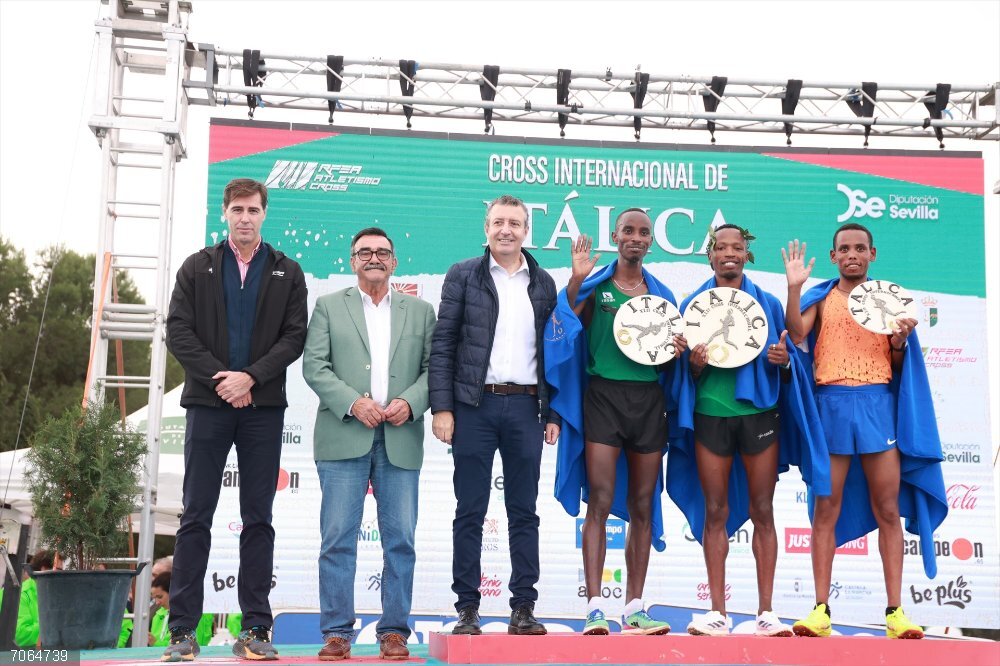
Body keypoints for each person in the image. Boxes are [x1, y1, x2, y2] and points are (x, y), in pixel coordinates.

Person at [163, 177, 308, 661]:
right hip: (208, 406)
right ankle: (182, 631)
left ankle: (256, 629)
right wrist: (221, 380)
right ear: (224, 212)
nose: (245, 218)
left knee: (258, 518)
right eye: (237, 209)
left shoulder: (288, 270)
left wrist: (251, 378)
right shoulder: (196, 267)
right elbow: (178, 331)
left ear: (264, 214)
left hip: (262, 409)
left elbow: (294, 337)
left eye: (253, 210)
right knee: (195, 516)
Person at [783, 223, 947, 639]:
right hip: (832, 404)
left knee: (888, 508)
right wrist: (794, 288)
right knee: (825, 509)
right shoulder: (821, 298)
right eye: (844, 249)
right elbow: (797, 333)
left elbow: (898, 365)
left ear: (872, 254)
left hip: (877, 405)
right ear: (834, 256)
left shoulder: (888, 301)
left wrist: (899, 343)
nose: (852, 255)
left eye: (860, 248)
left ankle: (895, 612)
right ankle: (820, 611)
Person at [666, 224, 828, 638]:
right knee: (715, 510)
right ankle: (717, 613)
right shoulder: (691, 304)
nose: (729, 254)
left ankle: (766, 613)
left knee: (763, 510)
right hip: (709, 414)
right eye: (721, 248)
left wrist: (783, 360)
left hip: (759, 414)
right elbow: (681, 374)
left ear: (746, 254)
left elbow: (792, 355)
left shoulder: (769, 303)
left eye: (736, 247)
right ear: (710, 255)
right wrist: (694, 366)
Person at [544, 209, 685, 635]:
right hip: (603, 397)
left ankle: (635, 607)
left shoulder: (662, 295)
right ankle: (594, 608)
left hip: (648, 401)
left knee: (643, 504)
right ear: (615, 235)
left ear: (650, 242)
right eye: (628, 231)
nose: (636, 237)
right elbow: (565, 322)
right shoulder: (596, 286)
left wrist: (678, 350)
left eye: (643, 232)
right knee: (600, 500)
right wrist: (576, 279)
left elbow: (669, 360)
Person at [303, 227, 436, 662]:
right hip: (344, 434)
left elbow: (434, 369)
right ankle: (336, 633)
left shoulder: (421, 311)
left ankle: (394, 632)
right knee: (337, 539)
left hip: (401, 436)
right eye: (365, 252)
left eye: (382, 252)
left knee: (400, 541)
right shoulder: (328, 306)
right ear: (352, 260)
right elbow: (315, 366)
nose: (374, 258)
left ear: (394, 262)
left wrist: (410, 402)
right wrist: (353, 402)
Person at [429, 194, 560, 636]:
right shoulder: (463, 274)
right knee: (470, 510)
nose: (506, 230)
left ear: (526, 230)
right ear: (486, 228)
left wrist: (552, 411)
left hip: (526, 407)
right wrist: (443, 408)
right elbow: (443, 345)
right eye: (498, 222)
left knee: (524, 511)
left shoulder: (543, 282)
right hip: (474, 407)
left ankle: (523, 606)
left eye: (515, 223)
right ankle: (467, 608)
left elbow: (552, 353)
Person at [148, 573, 214, 648]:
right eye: (154, 598)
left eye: (160, 597)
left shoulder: (193, 614)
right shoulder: (158, 615)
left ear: (174, 592)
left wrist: (156, 643)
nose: (157, 602)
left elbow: (192, 646)